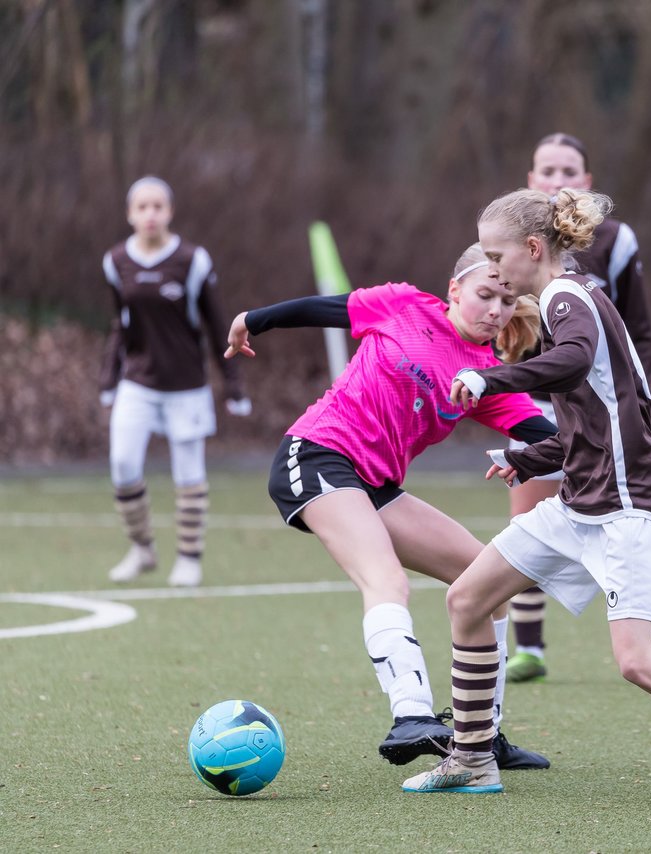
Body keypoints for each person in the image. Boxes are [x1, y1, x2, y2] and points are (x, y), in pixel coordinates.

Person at [401, 188, 651, 803]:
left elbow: (571, 364)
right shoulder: (573, 296)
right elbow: (605, 415)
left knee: (638, 662)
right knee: (467, 599)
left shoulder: (568, 298)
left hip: (621, 509)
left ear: (533, 249)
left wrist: (488, 376)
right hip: (578, 504)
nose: (493, 267)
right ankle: (471, 758)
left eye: (497, 254)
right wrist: (531, 457)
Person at [222, 244, 552, 771]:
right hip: (316, 454)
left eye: (506, 302)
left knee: (491, 582)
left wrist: (637, 487)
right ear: (454, 290)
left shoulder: (487, 379)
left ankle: (479, 736)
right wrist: (250, 321)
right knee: (386, 580)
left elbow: (558, 440)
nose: (495, 310)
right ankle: (411, 715)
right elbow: (320, 309)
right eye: (484, 295)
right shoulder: (402, 304)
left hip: (376, 486)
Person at [505, 133, 651, 684]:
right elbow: (494, 320)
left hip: (602, 404)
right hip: (531, 397)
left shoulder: (613, 243)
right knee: (527, 521)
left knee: (634, 520)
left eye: (569, 170)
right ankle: (528, 646)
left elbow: (633, 336)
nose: (558, 179)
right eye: (547, 169)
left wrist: (648, 410)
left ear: (587, 182)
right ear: (531, 180)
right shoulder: (511, 242)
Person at [99, 175, 251, 588]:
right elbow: (121, 324)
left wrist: (233, 383)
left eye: (158, 206)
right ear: (130, 214)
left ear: (170, 211)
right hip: (138, 383)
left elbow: (219, 322)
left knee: (188, 474)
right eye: (142, 207)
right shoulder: (116, 262)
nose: (150, 214)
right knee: (123, 465)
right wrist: (108, 377)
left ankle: (189, 558)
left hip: (186, 385)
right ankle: (143, 548)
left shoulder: (192, 260)